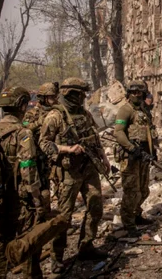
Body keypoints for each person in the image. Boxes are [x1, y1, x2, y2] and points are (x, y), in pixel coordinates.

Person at [0, 87, 48, 279]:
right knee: (28, 241)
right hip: (18, 201)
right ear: (21, 105)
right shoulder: (23, 134)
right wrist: (37, 199)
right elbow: (28, 167)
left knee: (0, 241)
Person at [39, 78, 110, 275]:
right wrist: (67, 149)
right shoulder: (55, 116)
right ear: (72, 94)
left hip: (89, 169)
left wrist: (104, 158)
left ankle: (86, 246)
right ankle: (56, 257)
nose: (84, 97)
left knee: (95, 206)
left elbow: (95, 139)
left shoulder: (85, 114)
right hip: (68, 172)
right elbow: (44, 144)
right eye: (81, 94)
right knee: (64, 216)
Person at [114, 80, 158, 235]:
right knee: (131, 191)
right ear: (128, 93)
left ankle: (137, 215)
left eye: (139, 92)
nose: (135, 95)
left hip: (144, 156)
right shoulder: (125, 110)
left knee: (143, 190)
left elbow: (149, 133)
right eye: (132, 92)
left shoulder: (144, 111)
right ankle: (128, 223)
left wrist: (153, 152)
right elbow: (118, 132)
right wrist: (132, 148)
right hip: (131, 157)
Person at [23, 82, 59, 211]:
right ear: (43, 98)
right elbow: (25, 128)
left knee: (61, 188)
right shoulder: (32, 113)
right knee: (43, 190)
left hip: (55, 155)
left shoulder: (58, 112)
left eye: (55, 97)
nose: (54, 100)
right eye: (51, 97)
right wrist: (41, 123)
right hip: (40, 156)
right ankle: (44, 215)